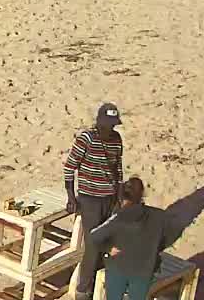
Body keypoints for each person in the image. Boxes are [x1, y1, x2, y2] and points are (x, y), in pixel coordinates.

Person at [83, 177, 183, 300]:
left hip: (118, 267)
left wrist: (108, 248)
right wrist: (157, 246)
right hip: (144, 268)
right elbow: (175, 232)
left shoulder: (118, 218)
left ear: (122, 197)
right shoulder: (159, 216)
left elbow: (94, 236)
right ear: (142, 195)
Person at [63, 102, 125, 300]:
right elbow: (69, 167)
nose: (109, 129)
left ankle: (101, 286)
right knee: (92, 244)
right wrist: (71, 197)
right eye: (106, 125)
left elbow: (118, 171)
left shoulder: (116, 140)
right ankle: (83, 290)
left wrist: (119, 198)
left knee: (108, 242)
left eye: (112, 125)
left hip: (110, 198)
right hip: (90, 199)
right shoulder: (86, 139)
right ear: (99, 122)